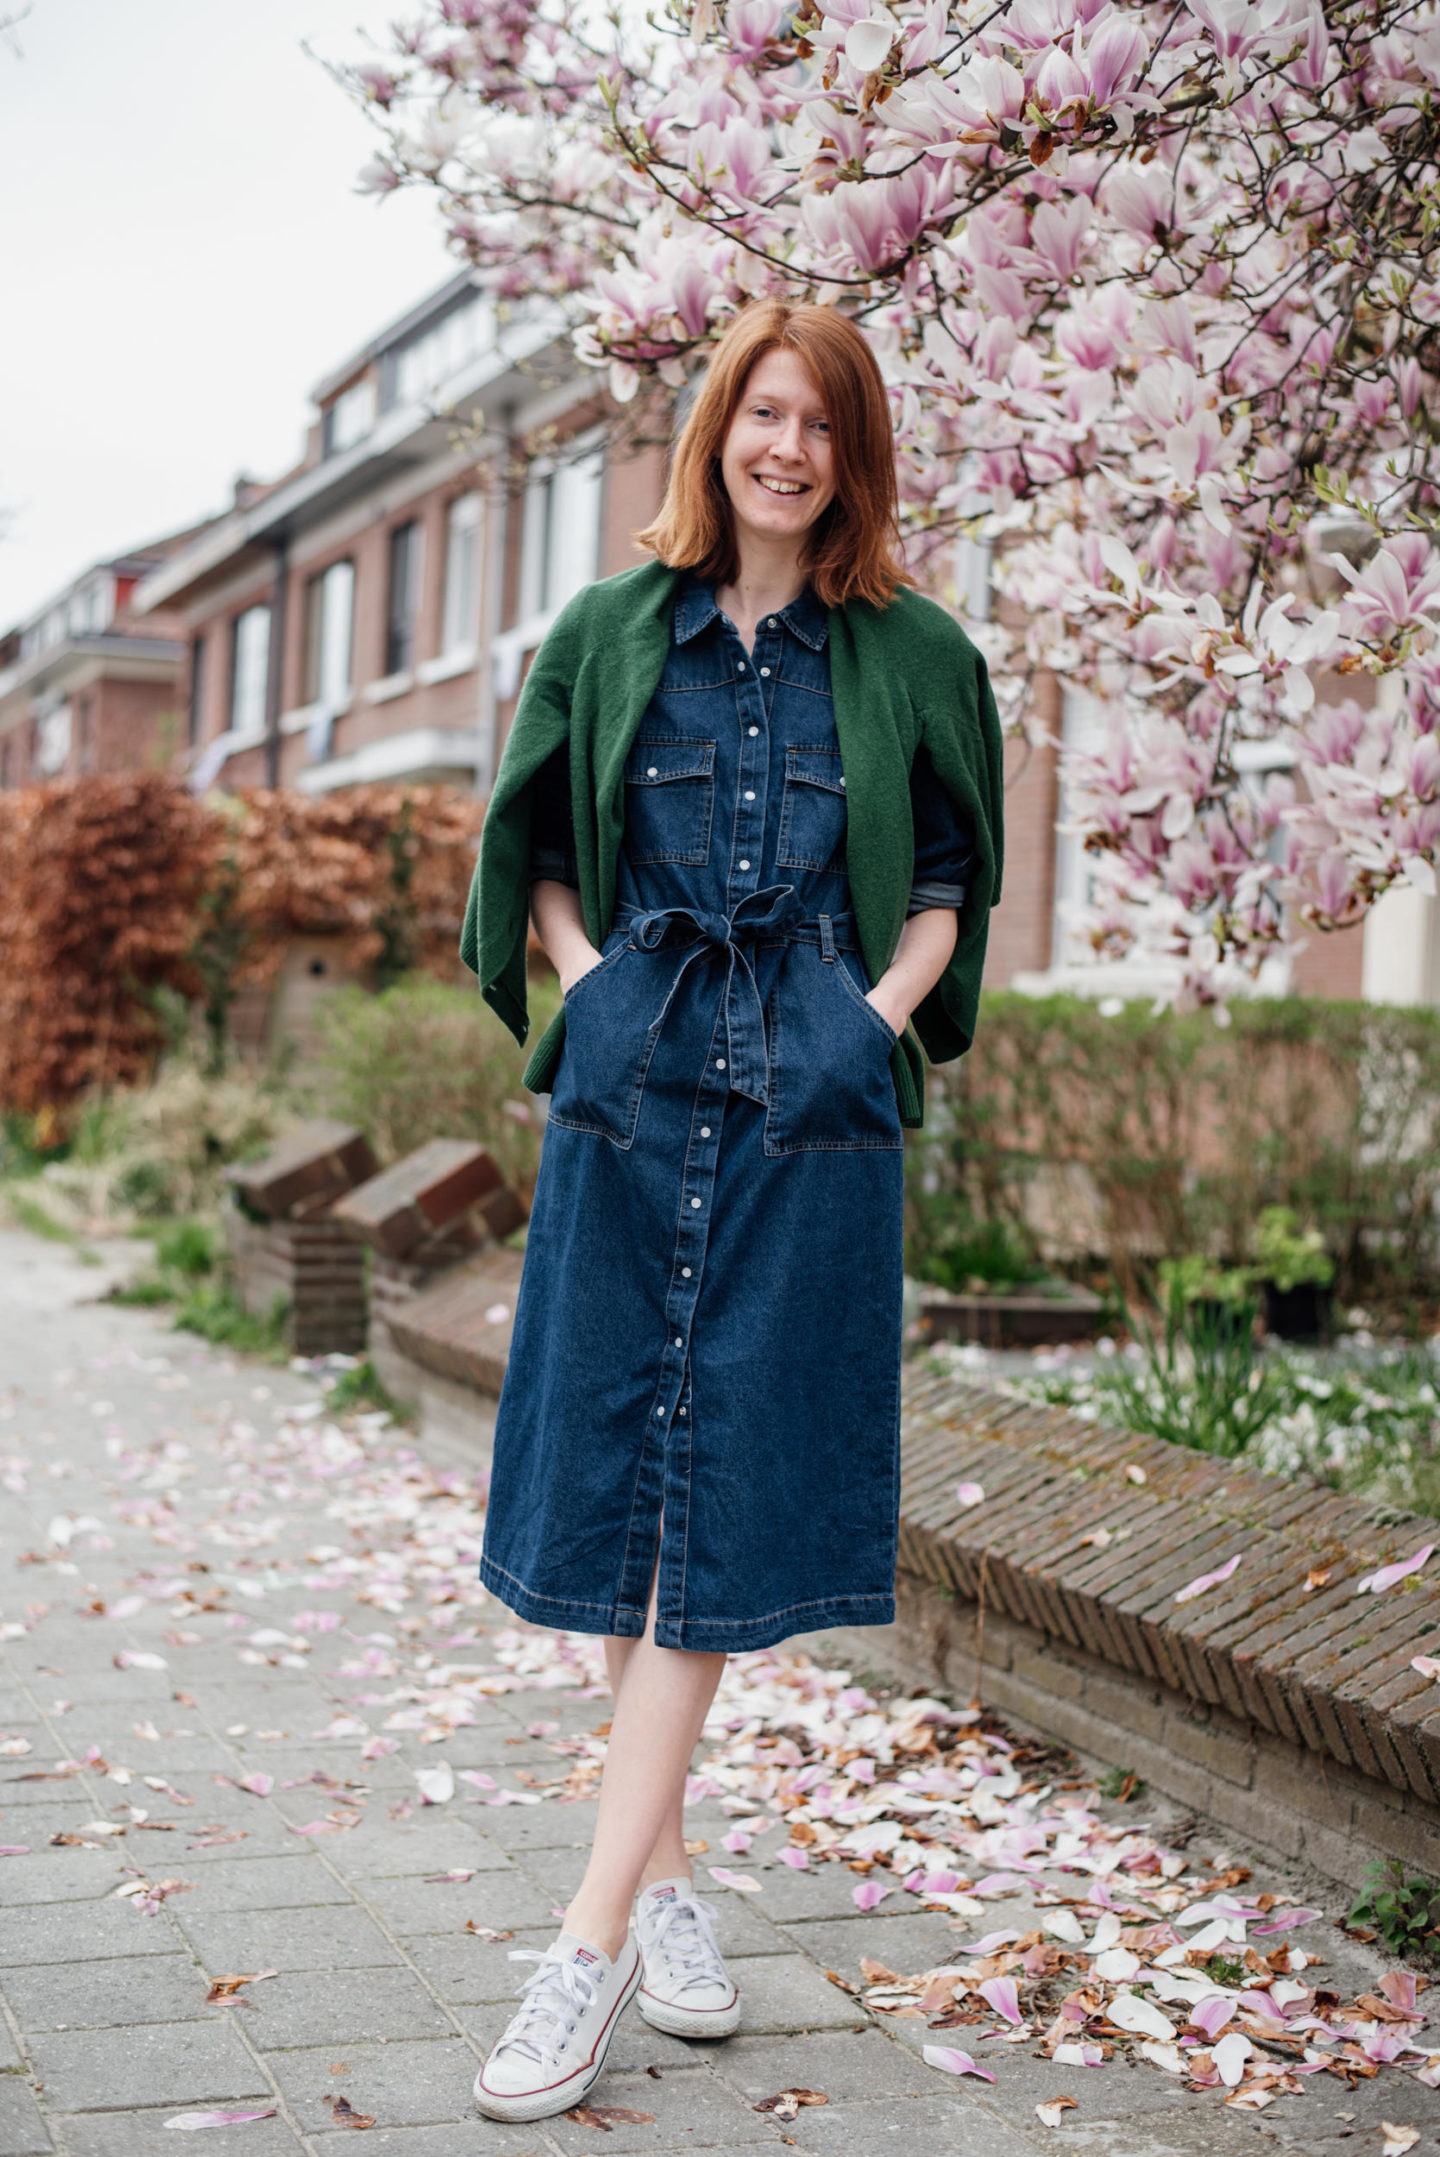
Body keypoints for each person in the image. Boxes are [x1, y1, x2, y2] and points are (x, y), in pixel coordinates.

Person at [459, 297, 1004, 2124]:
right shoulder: (611, 629)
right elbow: (533, 846)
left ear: (855, 458)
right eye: (763, 412)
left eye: (823, 425)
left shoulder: (916, 650)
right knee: (628, 1474)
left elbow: (946, 880)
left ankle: (591, 1931)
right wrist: (594, 984)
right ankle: (672, 1878)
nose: (788, 446)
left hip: (811, 1112)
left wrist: (871, 1022)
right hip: (634, 1092)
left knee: (728, 1475)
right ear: (718, 430)